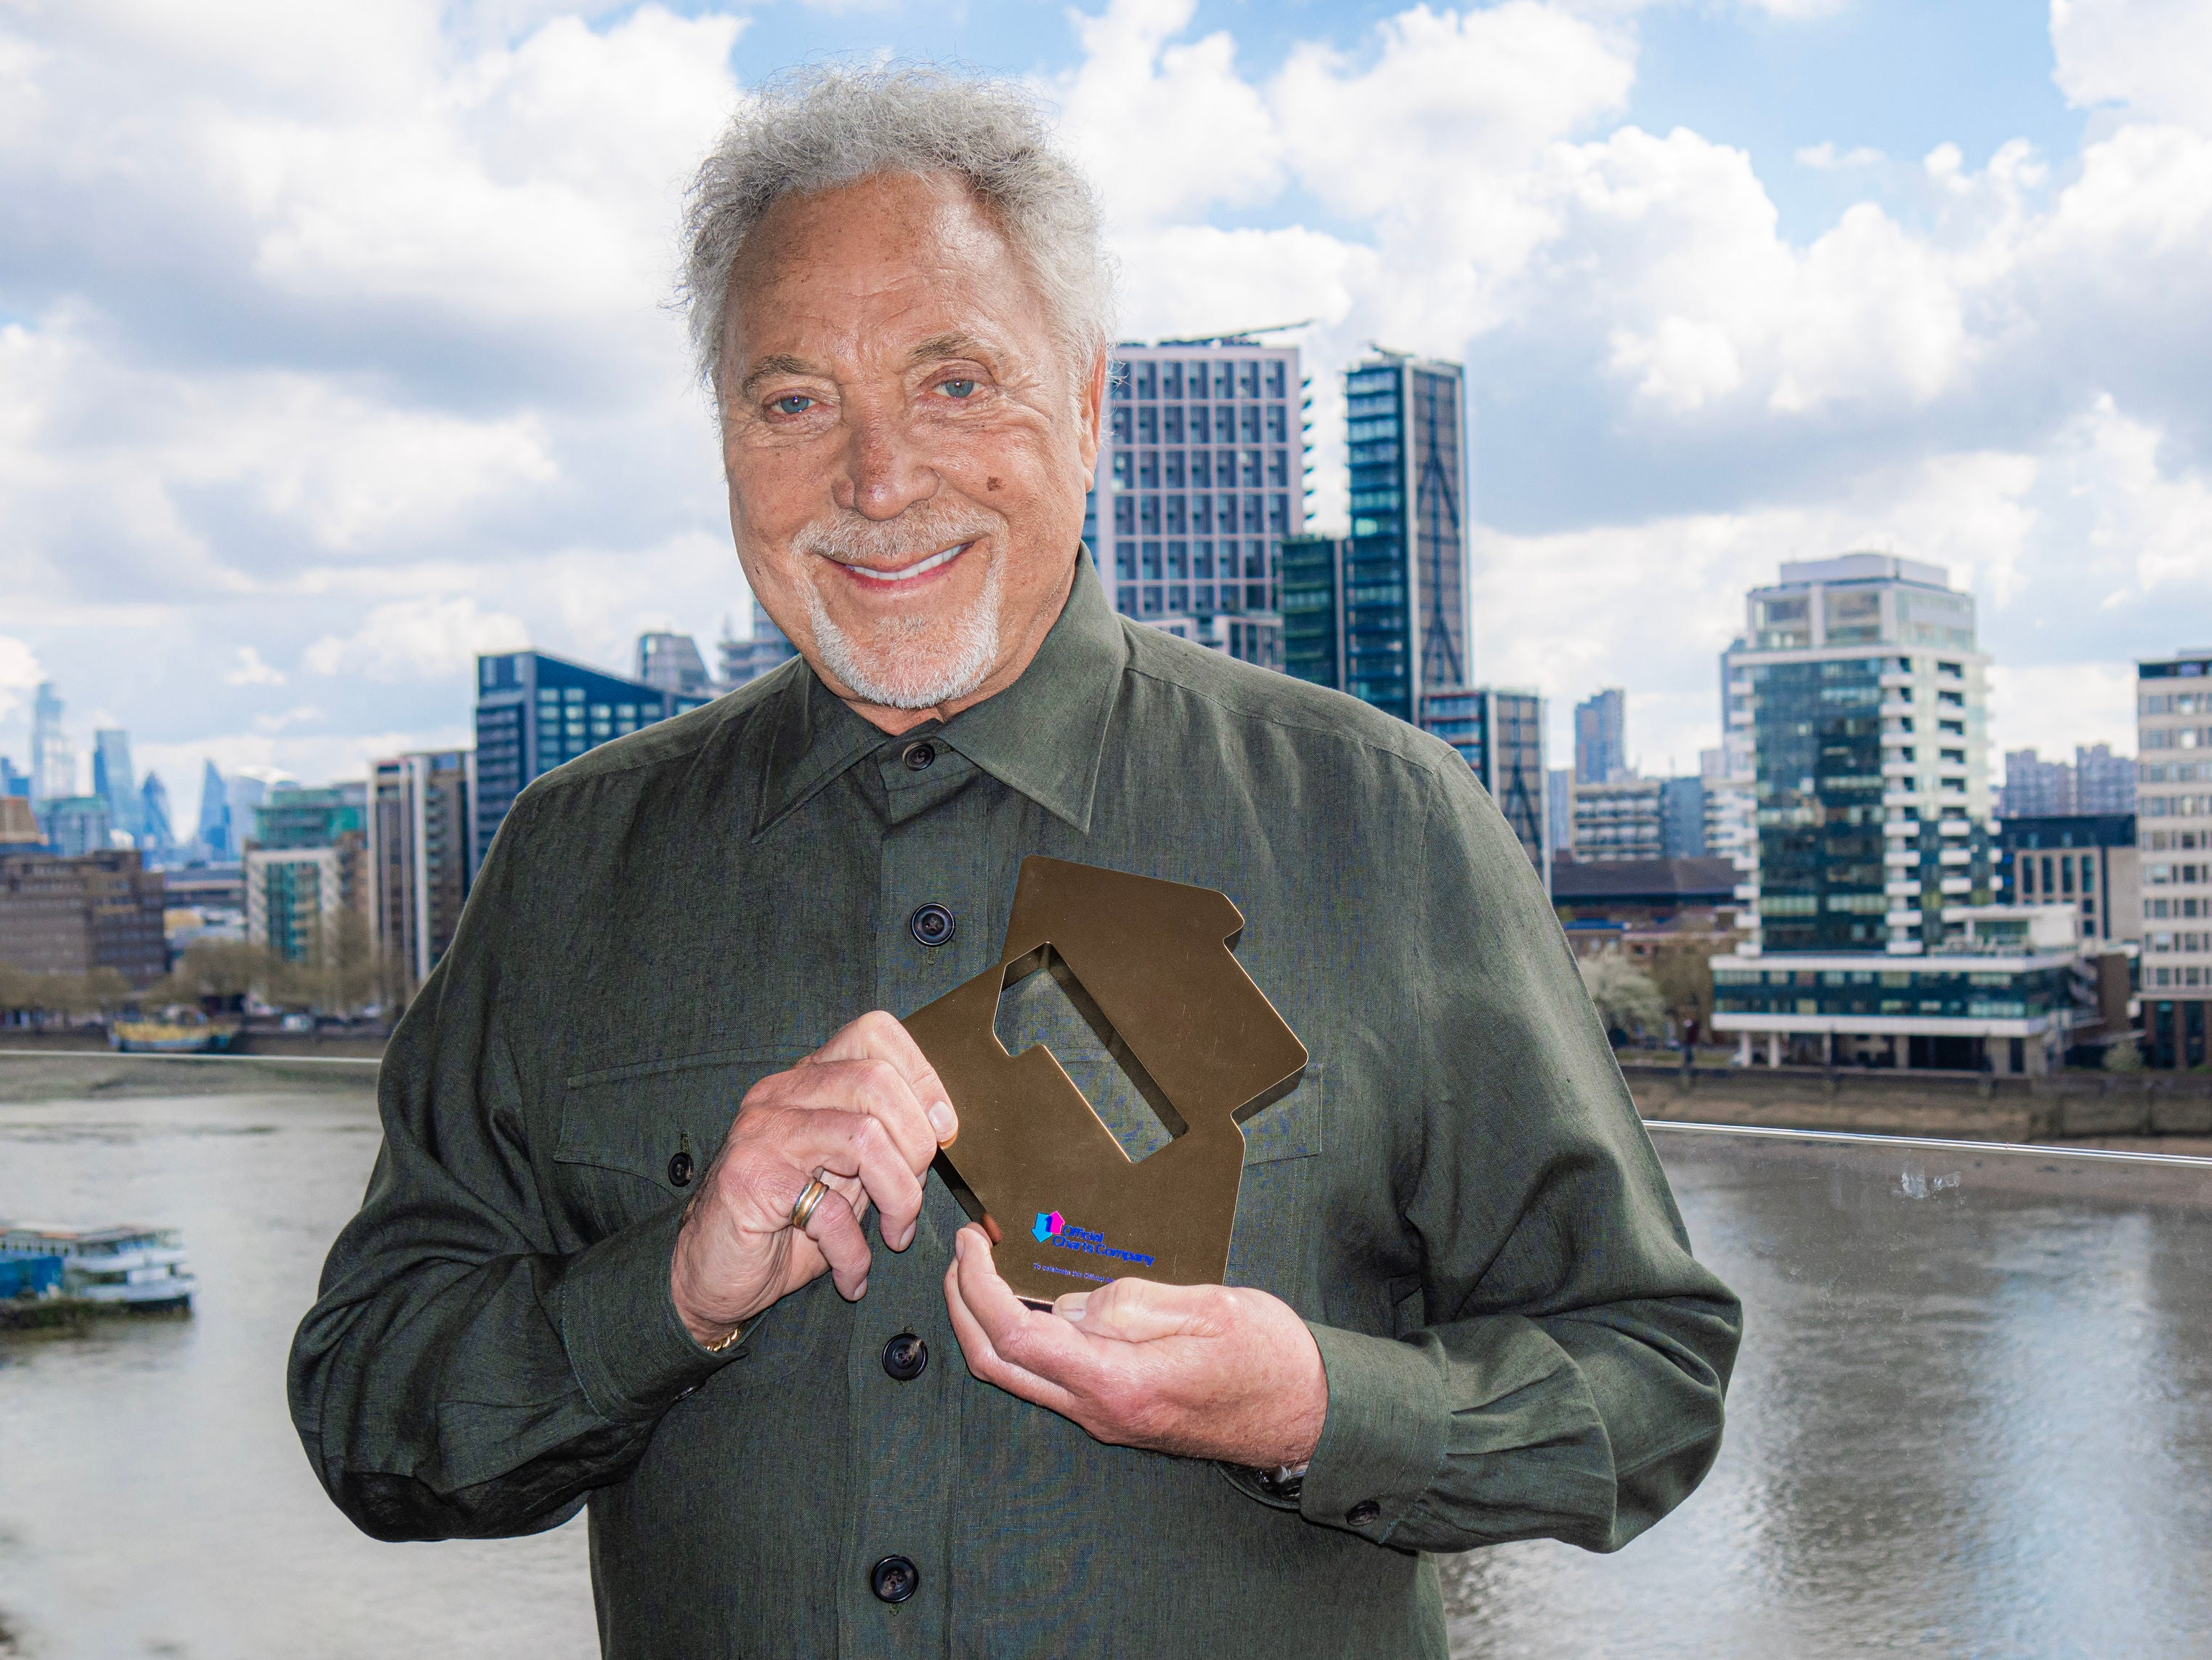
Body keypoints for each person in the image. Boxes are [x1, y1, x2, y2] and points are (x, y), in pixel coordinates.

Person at [289, 65, 1741, 1659]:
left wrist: (1319, 1405)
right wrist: (672, 1291)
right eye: (793, 402)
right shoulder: (571, 864)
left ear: (1089, 405)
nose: (876, 480)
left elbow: (1649, 1381)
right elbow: (372, 1422)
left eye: (954, 382)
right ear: (722, 438)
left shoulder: (1379, 819)